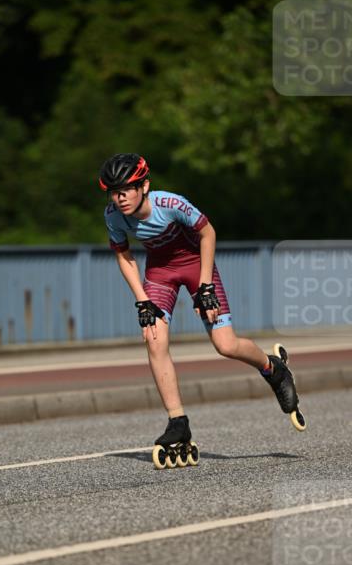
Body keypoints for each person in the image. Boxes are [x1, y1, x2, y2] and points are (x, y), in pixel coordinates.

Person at [99, 152, 303, 459]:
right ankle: (177, 421)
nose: (120, 197)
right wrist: (142, 299)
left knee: (225, 344)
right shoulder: (113, 216)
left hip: (197, 265)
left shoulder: (170, 204)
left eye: (126, 189)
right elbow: (123, 256)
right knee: (154, 338)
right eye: (114, 192)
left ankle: (273, 369)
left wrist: (205, 286)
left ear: (145, 186)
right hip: (160, 272)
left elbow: (207, 233)